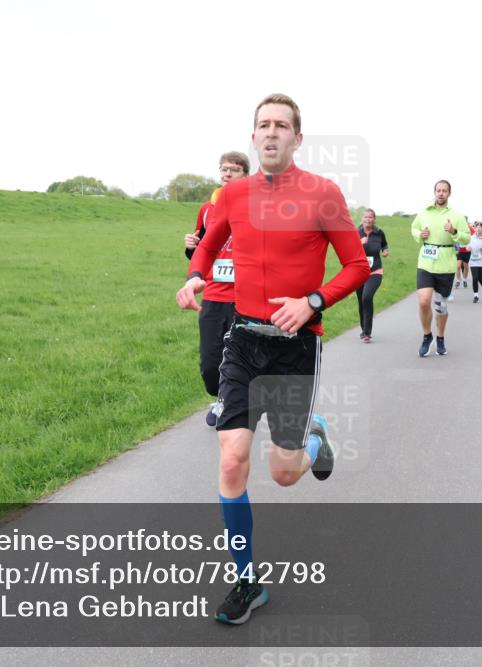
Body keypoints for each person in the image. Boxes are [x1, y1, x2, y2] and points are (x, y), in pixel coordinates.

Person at [177, 93, 369, 625]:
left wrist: (312, 302)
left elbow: (356, 265)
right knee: (232, 458)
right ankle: (247, 582)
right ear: (253, 135)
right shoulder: (233, 195)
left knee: (284, 474)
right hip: (243, 338)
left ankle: (314, 436)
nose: (271, 132)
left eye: (281, 125)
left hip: (295, 346)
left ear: (297, 138)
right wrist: (195, 275)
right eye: (262, 124)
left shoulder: (322, 194)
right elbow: (208, 246)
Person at [183, 151, 251, 426]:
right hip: (212, 294)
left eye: (234, 169)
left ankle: (230, 401)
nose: (227, 173)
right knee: (210, 364)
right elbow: (202, 249)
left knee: (238, 356)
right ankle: (221, 393)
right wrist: (190, 248)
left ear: (245, 174)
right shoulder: (207, 209)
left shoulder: (254, 207)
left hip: (243, 297)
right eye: (223, 169)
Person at [410, 180, 471, 357]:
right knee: (423, 301)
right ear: (434, 192)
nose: (441, 193)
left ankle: (441, 338)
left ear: (449, 194)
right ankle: (427, 335)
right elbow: (414, 229)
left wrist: (454, 232)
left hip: (446, 263)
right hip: (426, 262)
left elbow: (466, 238)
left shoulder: (457, 215)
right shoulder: (424, 211)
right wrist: (420, 235)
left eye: (444, 191)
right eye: (438, 190)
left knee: (440, 306)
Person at [356, 209, 388, 342]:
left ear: (374, 219)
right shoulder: (356, 233)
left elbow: (384, 245)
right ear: (362, 219)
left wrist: (385, 250)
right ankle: (364, 329)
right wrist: (359, 243)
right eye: (365, 217)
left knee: (366, 297)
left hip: (375, 271)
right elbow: (349, 250)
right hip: (358, 272)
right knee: (361, 301)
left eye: (370, 217)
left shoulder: (379, 233)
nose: (368, 219)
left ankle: (367, 332)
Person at [454, 217, 474, 294]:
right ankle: (458, 281)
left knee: (465, 266)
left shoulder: (470, 228)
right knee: (458, 266)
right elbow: (454, 237)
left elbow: (473, 237)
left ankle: (465, 280)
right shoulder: (457, 228)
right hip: (459, 250)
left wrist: (471, 246)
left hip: (467, 250)